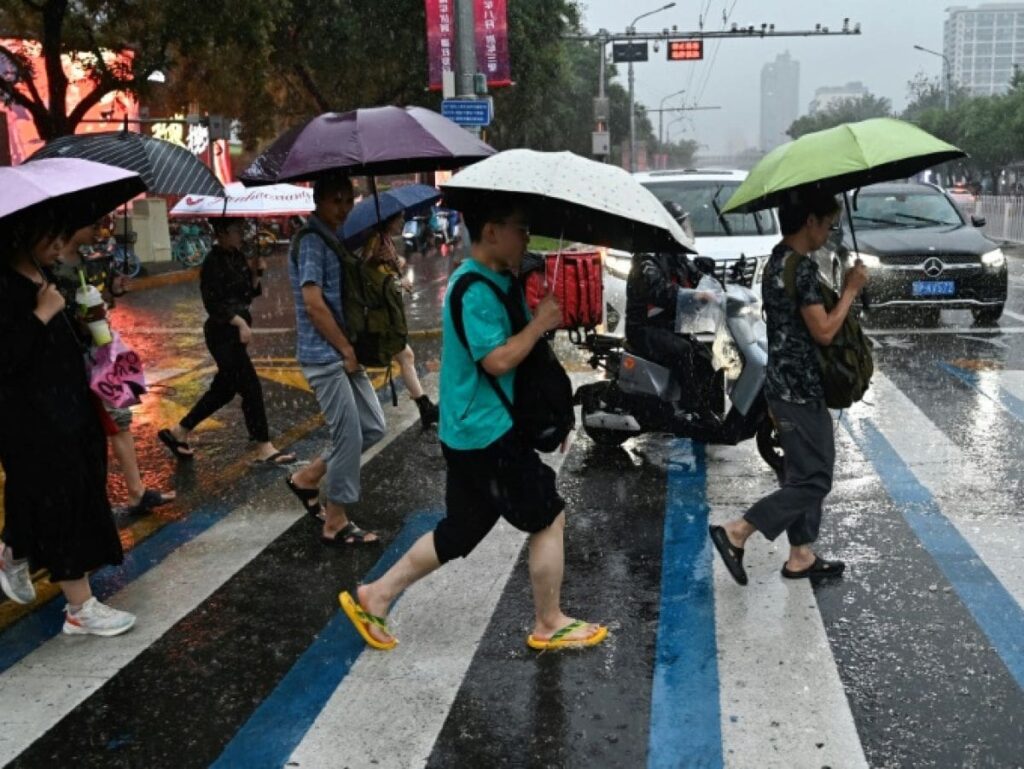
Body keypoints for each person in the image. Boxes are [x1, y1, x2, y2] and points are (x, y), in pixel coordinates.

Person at [339, 196, 608, 652]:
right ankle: (549, 622)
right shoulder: (474, 290)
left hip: (474, 431)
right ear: (491, 231)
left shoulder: (500, 279)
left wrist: (550, 411)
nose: (525, 238)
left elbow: (526, 361)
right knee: (548, 516)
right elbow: (499, 360)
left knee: (460, 531)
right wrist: (540, 321)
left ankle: (376, 595)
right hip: (486, 434)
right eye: (520, 228)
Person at [709, 191, 868, 585]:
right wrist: (851, 289)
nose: (830, 233)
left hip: (781, 383)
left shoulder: (777, 260)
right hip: (799, 389)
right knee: (816, 479)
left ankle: (801, 554)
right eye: (829, 224)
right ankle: (737, 532)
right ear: (810, 221)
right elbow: (825, 331)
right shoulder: (799, 269)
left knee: (801, 473)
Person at [0, 207, 135, 635]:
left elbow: (60, 344)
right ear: (23, 234)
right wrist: (40, 314)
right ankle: (80, 607)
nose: (60, 244)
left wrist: (85, 319)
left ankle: (15, 549)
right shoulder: (4, 284)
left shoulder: (48, 276)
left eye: (62, 234)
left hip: (71, 407)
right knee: (59, 501)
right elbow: (6, 358)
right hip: (31, 418)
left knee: (73, 493)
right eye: (50, 236)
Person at [284, 175, 386, 545]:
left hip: (345, 351)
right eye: (336, 201)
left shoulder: (331, 238)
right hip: (325, 354)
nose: (344, 208)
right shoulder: (311, 241)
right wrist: (345, 349)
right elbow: (313, 303)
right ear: (319, 201)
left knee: (373, 427)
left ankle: (307, 478)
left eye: (349, 200)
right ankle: (336, 521)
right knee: (348, 436)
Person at [54, 223, 176, 516]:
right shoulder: (50, 271)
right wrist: (77, 321)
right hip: (68, 361)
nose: (101, 230)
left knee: (119, 417)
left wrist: (113, 291)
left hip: (100, 355)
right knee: (75, 433)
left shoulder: (90, 263)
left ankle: (136, 493)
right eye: (95, 224)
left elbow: (102, 302)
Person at [158, 217, 296, 466]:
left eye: (242, 229)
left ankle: (179, 432)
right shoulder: (212, 263)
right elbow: (213, 303)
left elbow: (246, 295)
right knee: (251, 387)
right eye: (236, 230)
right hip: (222, 334)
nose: (240, 234)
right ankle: (264, 446)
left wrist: (256, 274)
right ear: (221, 232)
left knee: (223, 390)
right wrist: (239, 323)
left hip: (235, 334)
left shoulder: (238, 256)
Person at [624, 201, 714, 420]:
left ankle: (706, 406)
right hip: (644, 327)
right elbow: (657, 290)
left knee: (704, 355)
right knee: (683, 351)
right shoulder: (646, 256)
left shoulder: (675, 254)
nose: (685, 231)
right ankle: (688, 410)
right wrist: (691, 295)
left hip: (667, 325)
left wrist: (714, 281)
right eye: (680, 227)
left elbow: (694, 275)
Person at [362, 212, 439, 429]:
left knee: (405, 355)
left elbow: (386, 274)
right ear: (389, 220)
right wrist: (391, 271)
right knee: (398, 356)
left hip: (387, 311)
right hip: (379, 314)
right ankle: (424, 408)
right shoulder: (376, 242)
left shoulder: (384, 241)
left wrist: (398, 269)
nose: (403, 223)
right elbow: (371, 277)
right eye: (399, 219)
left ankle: (425, 408)